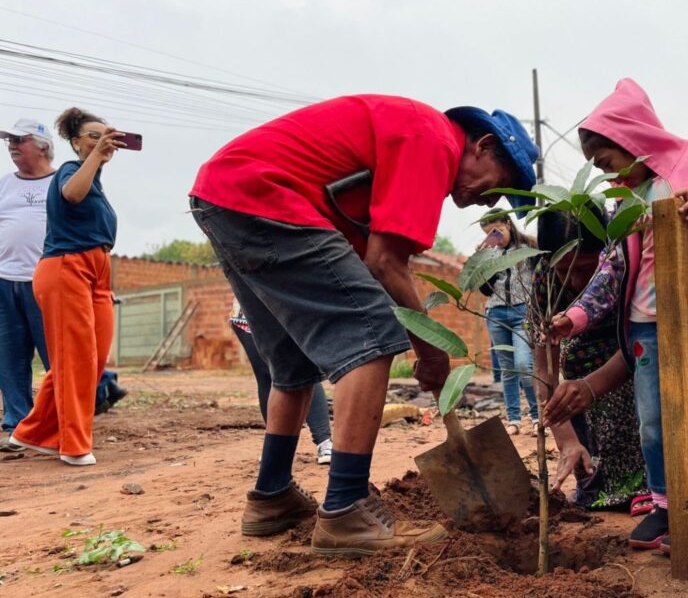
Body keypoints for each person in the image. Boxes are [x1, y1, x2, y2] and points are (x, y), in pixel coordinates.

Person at [189, 95, 538, 555]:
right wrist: (431, 351)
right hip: (265, 195)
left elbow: (365, 259)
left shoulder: (414, 135)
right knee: (373, 336)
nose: (490, 201)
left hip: (227, 196)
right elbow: (386, 264)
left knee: (294, 362)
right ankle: (345, 508)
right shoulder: (433, 142)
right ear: (483, 146)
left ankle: (271, 497)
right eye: (501, 184)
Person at [544, 78, 688, 557]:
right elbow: (612, 266)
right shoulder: (628, 199)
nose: (607, 173)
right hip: (644, 320)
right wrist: (577, 316)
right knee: (652, 420)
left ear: (631, 139)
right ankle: (666, 503)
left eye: (607, 161)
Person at [11, 108, 125, 466]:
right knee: (76, 359)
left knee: (92, 359)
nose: (101, 140)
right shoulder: (70, 171)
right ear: (75, 142)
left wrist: (98, 159)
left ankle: (31, 432)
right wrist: (93, 157)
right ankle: (73, 444)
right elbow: (71, 195)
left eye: (105, 135)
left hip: (97, 272)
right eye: (93, 135)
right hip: (66, 267)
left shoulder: (97, 185)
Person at [530, 208, 648, 511]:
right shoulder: (545, 277)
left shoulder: (626, 266)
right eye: (564, 270)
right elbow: (544, 367)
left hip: (630, 352)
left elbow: (642, 343)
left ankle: (646, 488)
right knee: (571, 370)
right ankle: (594, 484)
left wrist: (591, 387)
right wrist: (566, 439)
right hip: (582, 359)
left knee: (644, 377)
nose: (575, 280)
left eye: (586, 267)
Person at [0, 119, 55, 451]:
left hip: (48, 281)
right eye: (9, 140)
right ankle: (17, 425)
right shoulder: (4, 185)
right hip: (5, 280)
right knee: (9, 356)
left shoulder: (61, 181)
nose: (11, 145)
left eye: (19, 139)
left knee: (56, 356)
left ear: (42, 146)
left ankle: (59, 421)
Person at [229, 298, 332, 463]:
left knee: (306, 369)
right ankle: (276, 448)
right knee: (266, 376)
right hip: (248, 315)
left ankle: (324, 441)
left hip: (289, 306)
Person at [476, 208, 539, 435]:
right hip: (496, 313)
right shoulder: (488, 254)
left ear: (508, 225)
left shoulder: (529, 248)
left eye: (498, 231)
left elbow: (544, 277)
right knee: (507, 369)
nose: (496, 236)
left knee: (524, 365)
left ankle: (536, 415)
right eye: (489, 233)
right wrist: (483, 263)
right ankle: (514, 419)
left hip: (523, 311)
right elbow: (485, 290)